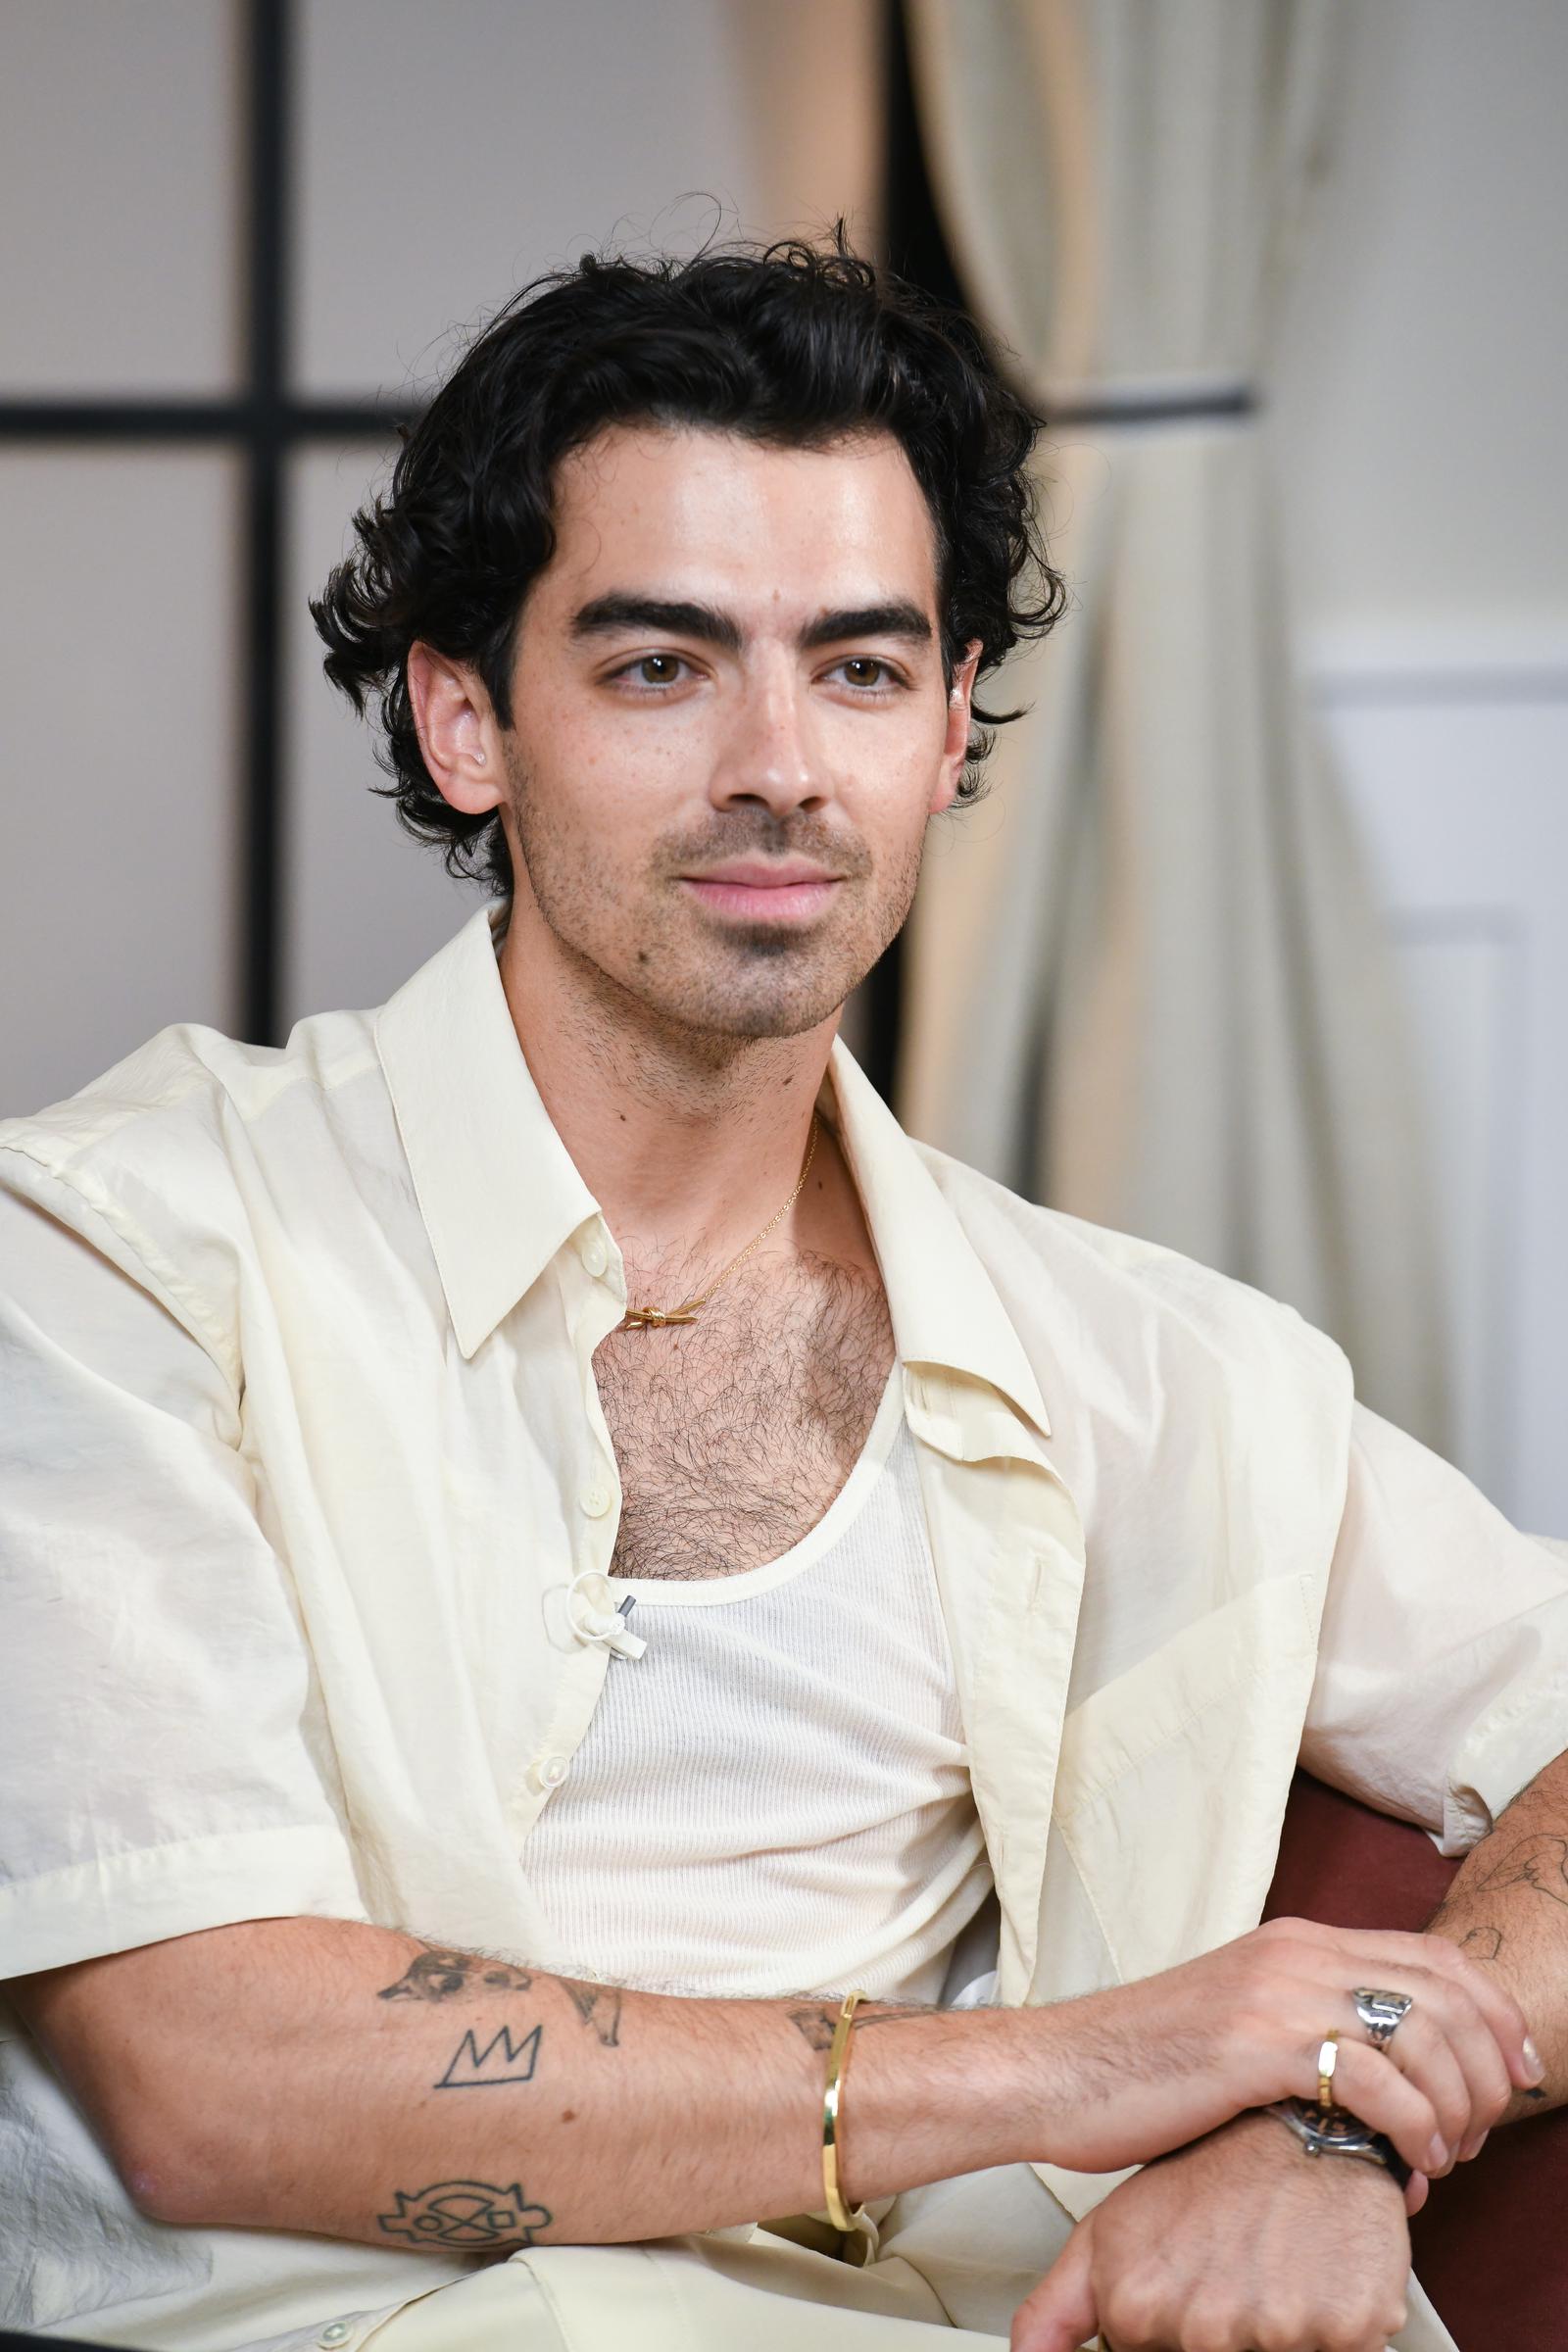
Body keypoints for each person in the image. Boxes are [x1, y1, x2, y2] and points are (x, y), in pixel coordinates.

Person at [3, 225, 1565, 2352]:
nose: (778, 764)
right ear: (465, 721)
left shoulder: (1144, 1370)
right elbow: (206, 2076)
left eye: (859, 666)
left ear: (944, 736)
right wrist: (1118, 2061)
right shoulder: (116, 1255)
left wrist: (1325, 2131)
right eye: (659, 666)